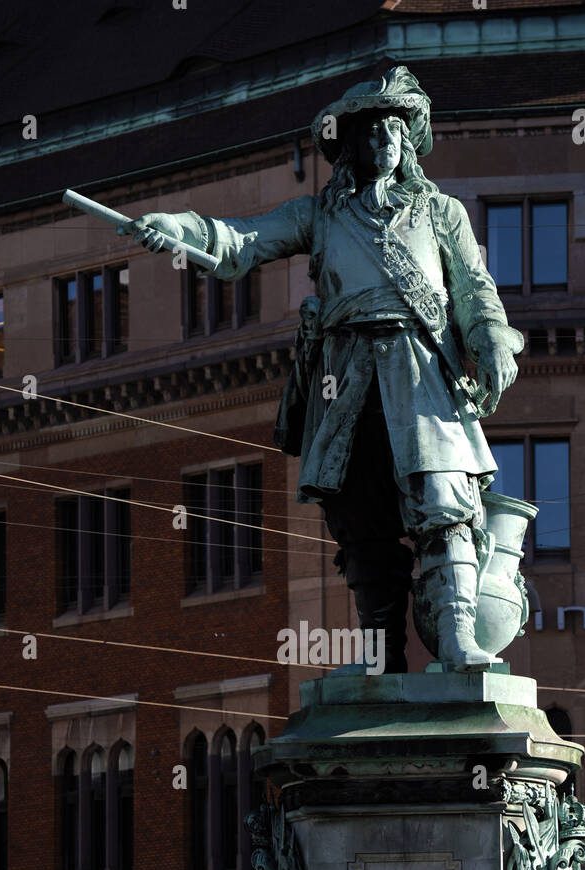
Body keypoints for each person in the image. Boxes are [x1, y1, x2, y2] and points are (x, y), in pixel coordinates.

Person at [125, 66, 523, 672]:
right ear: (353, 145)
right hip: (347, 377)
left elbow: (474, 288)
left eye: (396, 130)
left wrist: (492, 339)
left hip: (419, 373)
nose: (385, 141)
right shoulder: (321, 216)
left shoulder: (442, 213)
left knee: (444, 503)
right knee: (362, 519)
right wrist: (177, 229)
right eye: (373, 132)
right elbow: (241, 240)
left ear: (409, 142)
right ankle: (381, 655)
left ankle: (458, 639)